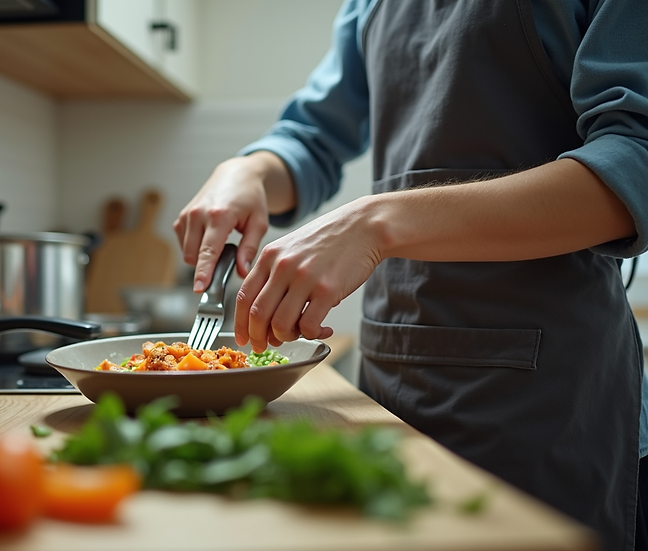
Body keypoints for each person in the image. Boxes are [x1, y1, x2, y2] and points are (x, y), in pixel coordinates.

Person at [174, 0, 648, 549]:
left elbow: (634, 161)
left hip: (543, 406)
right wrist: (248, 170)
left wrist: (374, 223)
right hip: (387, 386)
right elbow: (311, 137)